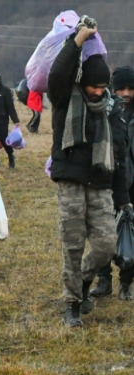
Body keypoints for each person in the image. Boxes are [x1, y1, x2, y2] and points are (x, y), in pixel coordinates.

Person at [48, 19, 130, 327]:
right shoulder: (63, 101)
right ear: (83, 83)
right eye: (93, 86)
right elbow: (58, 73)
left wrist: (123, 200)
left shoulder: (113, 113)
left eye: (102, 87)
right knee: (73, 243)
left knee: (106, 245)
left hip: (101, 185)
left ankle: (83, 281)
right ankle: (72, 304)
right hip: (70, 181)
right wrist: (77, 41)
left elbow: (119, 158)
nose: (98, 92)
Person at [90, 66, 134, 301]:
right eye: (121, 88)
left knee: (130, 233)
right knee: (103, 233)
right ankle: (104, 279)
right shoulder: (103, 112)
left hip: (132, 183)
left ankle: (126, 282)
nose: (126, 93)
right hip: (106, 180)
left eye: (130, 88)